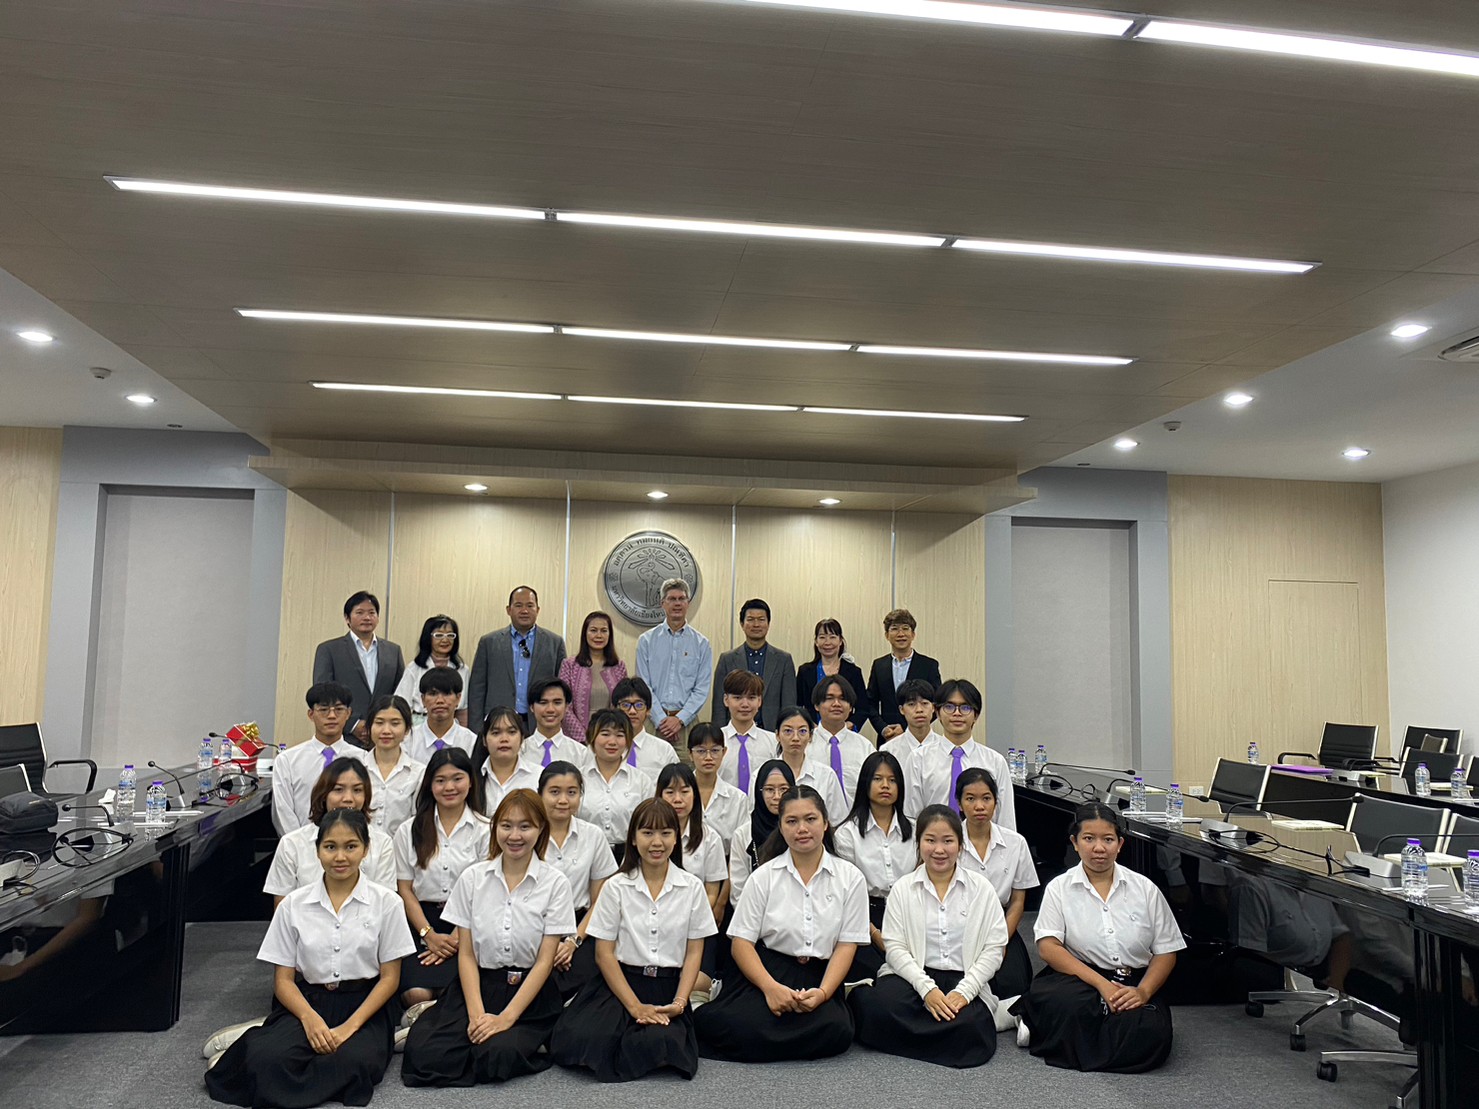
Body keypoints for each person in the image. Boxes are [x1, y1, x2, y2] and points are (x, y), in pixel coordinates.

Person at [206, 810, 414, 1109]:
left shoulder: (388, 903)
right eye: (330, 847)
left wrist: (350, 1027)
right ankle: (251, 1046)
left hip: (364, 1004)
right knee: (267, 1059)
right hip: (309, 1001)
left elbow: (390, 978)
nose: (340, 856)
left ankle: (260, 1051)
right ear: (317, 851)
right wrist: (309, 1019)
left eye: (351, 846)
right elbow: (283, 980)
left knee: (352, 1063)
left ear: (365, 849)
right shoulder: (293, 904)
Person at [400, 789, 576, 1087]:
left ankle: (533, 1038)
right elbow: (467, 955)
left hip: (528, 994)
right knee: (425, 1055)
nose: (515, 835)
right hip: (478, 987)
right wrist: (477, 1015)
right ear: (495, 829)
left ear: (540, 829)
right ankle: (430, 1018)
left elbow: (545, 962)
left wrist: (505, 1018)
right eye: (506, 826)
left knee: (495, 1055)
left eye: (525, 826)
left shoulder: (555, 883)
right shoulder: (473, 878)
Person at [695, 785, 868, 1062]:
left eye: (810, 819)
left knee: (837, 1030)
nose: (802, 829)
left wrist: (823, 993)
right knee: (742, 1027)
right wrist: (771, 989)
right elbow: (741, 944)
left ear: (825, 823)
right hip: (768, 971)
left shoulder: (851, 878)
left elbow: (847, 945)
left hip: (820, 974)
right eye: (792, 821)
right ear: (781, 827)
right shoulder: (764, 876)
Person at [1011, 802, 1185, 1073]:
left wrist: (1143, 992)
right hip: (1080, 978)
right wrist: (1102, 985)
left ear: (1120, 844)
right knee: (1068, 1005)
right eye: (1089, 839)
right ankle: (1046, 1022)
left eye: (1108, 839)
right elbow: (1048, 947)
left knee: (1149, 1032)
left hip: (1133, 978)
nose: (1099, 848)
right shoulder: (1059, 888)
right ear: (1075, 843)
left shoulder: (1145, 889)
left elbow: (1166, 951)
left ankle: (1057, 1033)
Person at [550, 798, 716, 1082]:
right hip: (620, 983)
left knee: (661, 1043)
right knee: (583, 1038)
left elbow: (693, 953)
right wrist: (634, 1007)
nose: (657, 842)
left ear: (676, 838)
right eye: (647, 833)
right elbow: (603, 954)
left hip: (667, 987)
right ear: (634, 838)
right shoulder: (616, 885)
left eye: (666, 833)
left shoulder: (692, 887)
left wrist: (679, 1002)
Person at [849, 805, 1010, 1068]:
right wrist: (927, 990)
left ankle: (920, 1033)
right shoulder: (903, 888)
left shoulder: (982, 889)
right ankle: (950, 1032)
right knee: (878, 1007)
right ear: (919, 843)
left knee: (970, 1027)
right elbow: (895, 949)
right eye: (930, 840)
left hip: (962, 976)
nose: (939, 850)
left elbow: (994, 950)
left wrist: (965, 992)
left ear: (960, 846)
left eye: (948, 841)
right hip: (911, 976)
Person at [394, 748, 491, 1007]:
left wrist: (458, 937)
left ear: (471, 782)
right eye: (440, 780)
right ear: (430, 785)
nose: (449, 787)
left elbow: (485, 891)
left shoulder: (486, 830)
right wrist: (429, 934)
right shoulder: (409, 830)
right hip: (420, 922)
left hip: (470, 923)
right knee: (416, 993)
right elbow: (405, 889)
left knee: (460, 992)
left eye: (457, 778)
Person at [955, 768, 1039, 1002]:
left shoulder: (1016, 843)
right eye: (970, 799)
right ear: (959, 803)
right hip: (958, 924)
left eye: (986, 798)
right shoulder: (949, 841)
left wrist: (1000, 940)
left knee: (1014, 985)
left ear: (995, 802)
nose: (979, 806)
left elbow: (1018, 901)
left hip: (1001, 925)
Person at [264, 758, 397, 904]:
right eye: (338, 789)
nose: (348, 798)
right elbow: (283, 907)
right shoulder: (291, 844)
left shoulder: (382, 843)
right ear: (323, 794)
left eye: (357, 790)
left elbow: (386, 903)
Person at [539, 761, 619, 1000]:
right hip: (535, 927)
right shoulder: (527, 834)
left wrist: (573, 942)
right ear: (540, 793)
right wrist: (551, 943)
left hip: (581, 927)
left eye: (572, 792)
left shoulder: (593, 836)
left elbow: (599, 901)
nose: (563, 800)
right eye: (554, 792)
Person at [834, 751, 914, 979]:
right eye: (877, 779)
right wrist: (875, 934)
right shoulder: (847, 834)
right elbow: (847, 896)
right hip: (864, 918)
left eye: (892, 780)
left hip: (908, 914)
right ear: (865, 784)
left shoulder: (916, 831)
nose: (885, 786)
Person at [904, 679, 1015, 830]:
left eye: (965, 707)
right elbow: (911, 817)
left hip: (982, 843)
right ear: (938, 712)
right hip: (934, 842)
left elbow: (1006, 820)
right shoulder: (918, 759)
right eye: (949, 707)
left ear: (976, 715)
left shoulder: (995, 762)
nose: (957, 713)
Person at [271, 682, 370, 837]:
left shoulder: (364, 759)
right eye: (324, 710)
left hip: (351, 843)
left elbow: (368, 806)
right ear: (311, 714)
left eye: (339, 709)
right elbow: (283, 811)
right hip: (301, 845)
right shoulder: (287, 761)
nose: (331, 716)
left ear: (348, 713)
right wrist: (301, 845)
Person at [467, 587, 567, 731]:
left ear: (538, 610)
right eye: (518, 605)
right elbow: (477, 690)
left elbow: (562, 688)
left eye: (530, 606)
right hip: (498, 724)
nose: (524, 611)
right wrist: (476, 730)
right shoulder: (489, 642)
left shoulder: (555, 643)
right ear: (509, 610)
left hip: (540, 724)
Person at [312, 591, 407, 743]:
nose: (367, 617)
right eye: (360, 612)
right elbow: (323, 694)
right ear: (347, 618)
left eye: (371, 613)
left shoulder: (393, 651)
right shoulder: (329, 650)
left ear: (378, 617)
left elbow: (400, 692)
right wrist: (353, 724)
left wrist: (384, 723)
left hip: (384, 734)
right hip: (344, 736)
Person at [635, 577, 712, 761]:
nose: (677, 603)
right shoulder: (646, 641)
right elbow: (644, 686)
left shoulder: (701, 643)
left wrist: (679, 719)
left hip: (687, 724)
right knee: (649, 770)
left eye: (681, 599)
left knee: (688, 773)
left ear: (688, 603)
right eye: (671, 599)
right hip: (653, 722)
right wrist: (661, 719)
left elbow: (701, 688)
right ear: (663, 603)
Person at [711, 598, 796, 730]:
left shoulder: (783, 660)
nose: (756, 624)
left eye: (761, 619)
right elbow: (719, 706)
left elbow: (788, 704)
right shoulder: (727, 659)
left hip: (772, 732)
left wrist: (787, 731)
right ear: (742, 624)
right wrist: (719, 735)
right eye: (750, 619)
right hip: (736, 732)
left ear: (768, 623)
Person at [580, 709, 654, 855]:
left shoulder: (641, 781)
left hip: (629, 855)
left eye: (620, 735)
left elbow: (650, 823)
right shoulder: (578, 779)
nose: (612, 742)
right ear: (591, 737)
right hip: (585, 852)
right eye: (605, 734)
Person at [728, 760, 796, 908]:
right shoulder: (743, 834)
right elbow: (738, 890)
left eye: (783, 789)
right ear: (759, 791)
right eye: (769, 789)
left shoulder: (802, 830)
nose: (777, 796)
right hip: (755, 913)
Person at [866, 609, 941, 740]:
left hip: (918, 735)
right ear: (887, 635)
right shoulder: (879, 665)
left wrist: (907, 727)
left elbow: (937, 702)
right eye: (894, 629)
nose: (901, 634)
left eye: (905, 628)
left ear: (913, 634)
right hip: (887, 736)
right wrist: (883, 728)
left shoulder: (929, 665)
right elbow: (870, 702)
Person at [559, 610, 628, 742]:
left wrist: (607, 736)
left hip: (611, 738)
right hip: (576, 741)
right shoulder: (569, 665)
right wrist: (584, 738)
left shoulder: (619, 667)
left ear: (610, 635)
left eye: (604, 631)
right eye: (593, 630)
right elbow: (564, 705)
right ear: (585, 634)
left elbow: (623, 704)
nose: (599, 635)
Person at [772, 705, 848, 823]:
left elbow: (838, 821)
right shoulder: (763, 775)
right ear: (777, 735)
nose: (795, 738)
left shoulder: (826, 775)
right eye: (788, 731)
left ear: (811, 736)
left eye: (802, 731)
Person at [363, 695, 425, 834]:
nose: (386, 731)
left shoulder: (419, 773)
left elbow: (419, 821)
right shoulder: (356, 770)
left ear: (407, 729)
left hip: (401, 847)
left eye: (395, 723)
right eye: (379, 723)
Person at [795, 618, 871, 733]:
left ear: (840, 641)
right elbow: (797, 705)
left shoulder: (853, 672)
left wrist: (848, 726)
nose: (827, 642)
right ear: (816, 642)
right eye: (822, 637)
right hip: (813, 733)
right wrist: (810, 725)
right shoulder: (805, 671)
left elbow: (863, 708)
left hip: (844, 733)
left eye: (832, 637)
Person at [394, 615, 470, 728]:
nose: (445, 640)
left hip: (450, 725)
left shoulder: (462, 669)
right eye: (438, 635)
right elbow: (400, 704)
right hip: (418, 724)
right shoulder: (414, 668)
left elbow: (463, 709)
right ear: (428, 638)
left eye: (450, 635)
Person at [809, 676, 873, 801]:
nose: (836, 704)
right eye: (829, 698)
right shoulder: (804, 745)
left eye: (843, 699)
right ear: (816, 705)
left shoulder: (865, 747)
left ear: (851, 707)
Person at [687, 722, 752, 844]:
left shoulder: (737, 799)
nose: (708, 757)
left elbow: (742, 843)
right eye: (701, 751)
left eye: (715, 750)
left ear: (724, 752)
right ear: (690, 754)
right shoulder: (679, 795)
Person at [716, 670, 776, 794]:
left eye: (751, 698)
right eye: (737, 698)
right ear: (726, 700)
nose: (745, 704)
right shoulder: (715, 740)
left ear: (759, 701)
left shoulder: (773, 742)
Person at [472, 706, 541, 811]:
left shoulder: (538, 776)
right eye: (496, 733)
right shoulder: (471, 778)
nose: (504, 739)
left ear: (522, 738)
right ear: (484, 740)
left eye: (511, 732)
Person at [405, 669, 477, 764]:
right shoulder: (408, 740)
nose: (440, 701)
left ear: (458, 698)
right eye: (433, 694)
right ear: (423, 699)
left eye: (447, 694)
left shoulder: (471, 742)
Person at [520, 678, 594, 772]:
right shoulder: (520, 751)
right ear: (531, 707)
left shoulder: (581, 753)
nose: (550, 709)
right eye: (543, 703)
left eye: (557, 703)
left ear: (566, 706)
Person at [611, 675, 680, 776]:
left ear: (648, 710)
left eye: (639, 705)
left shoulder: (664, 750)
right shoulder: (604, 747)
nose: (632, 711)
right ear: (614, 709)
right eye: (625, 705)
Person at [880, 678, 939, 765]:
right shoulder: (889, 751)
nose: (919, 710)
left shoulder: (947, 748)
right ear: (901, 710)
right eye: (911, 704)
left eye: (924, 703)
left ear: (933, 707)